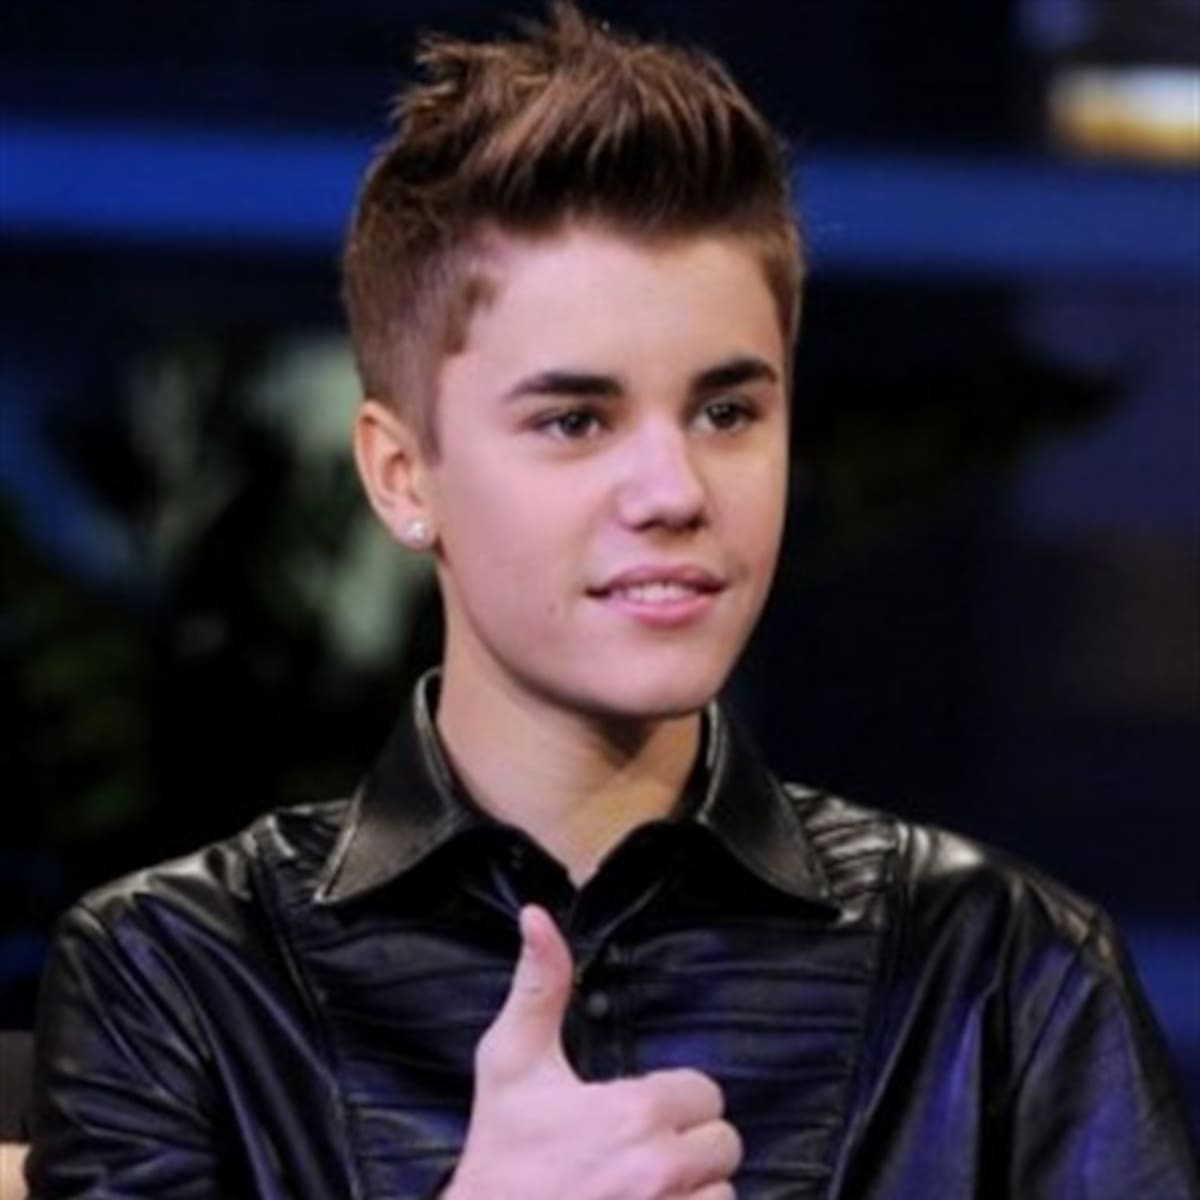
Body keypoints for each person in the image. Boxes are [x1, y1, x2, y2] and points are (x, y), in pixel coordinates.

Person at [25, 5, 1199, 1198]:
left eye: (728, 413)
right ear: (401, 474)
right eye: (576, 421)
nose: (675, 490)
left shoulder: (1004, 979)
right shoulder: (176, 982)